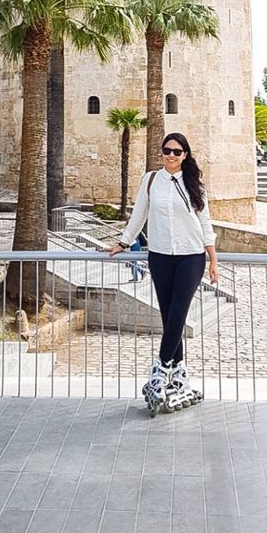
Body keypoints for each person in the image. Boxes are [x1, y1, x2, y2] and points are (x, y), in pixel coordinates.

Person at [109, 132, 218, 414]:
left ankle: (158, 372)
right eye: (167, 151)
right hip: (159, 256)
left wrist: (213, 259)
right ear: (162, 153)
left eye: (177, 152)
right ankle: (179, 375)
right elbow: (139, 214)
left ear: (185, 155)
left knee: (179, 314)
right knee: (169, 316)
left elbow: (205, 222)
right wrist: (124, 241)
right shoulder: (151, 180)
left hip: (191, 256)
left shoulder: (194, 184)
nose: (171, 155)